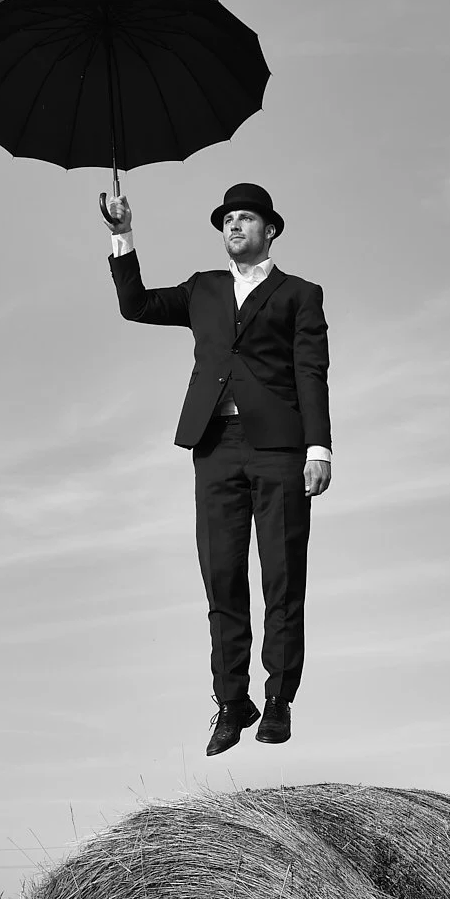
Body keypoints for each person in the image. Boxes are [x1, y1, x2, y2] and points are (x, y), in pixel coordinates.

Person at [101, 181, 331, 755]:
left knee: (282, 578)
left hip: (280, 448)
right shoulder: (201, 289)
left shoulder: (300, 294)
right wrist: (122, 233)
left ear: (269, 230)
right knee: (221, 577)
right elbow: (136, 306)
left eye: (245, 218)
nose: (233, 225)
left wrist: (318, 449)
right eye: (227, 219)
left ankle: (278, 699)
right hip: (214, 447)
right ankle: (231, 702)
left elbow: (311, 372)